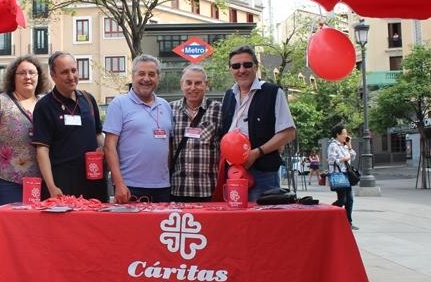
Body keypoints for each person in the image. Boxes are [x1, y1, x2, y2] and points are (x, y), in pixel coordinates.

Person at [219, 45, 296, 201]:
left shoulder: (272, 92)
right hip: (233, 172)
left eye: (247, 65)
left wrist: (256, 153)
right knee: (237, 221)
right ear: (230, 69)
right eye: (236, 66)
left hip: (263, 173)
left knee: (263, 222)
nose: (241, 70)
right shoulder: (229, 95)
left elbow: (288, 132)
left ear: (256, 66)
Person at [31, 51, 107, 201]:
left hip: (94, 182)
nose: (71, 76)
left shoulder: (88, 99)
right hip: (63, 183)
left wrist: (104, 150)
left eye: (74, 70)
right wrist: (51, 186)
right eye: (65, 72)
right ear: (53, 76)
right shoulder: (44, 106)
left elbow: (98, 134)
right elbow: (42, 149)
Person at [0, 55, 49, 206]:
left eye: (32, 72)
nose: (27, 77)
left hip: (44, 182)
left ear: (39, 77)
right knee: (13, 226)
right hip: (8, 182)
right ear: (12, 77)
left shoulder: (46, 102)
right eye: (22, 73)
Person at [104, 54, 173, 203]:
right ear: (133, 75)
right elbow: (109, 147)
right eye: (141, 73)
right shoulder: (119, 104)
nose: (146, 79)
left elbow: (168, 147)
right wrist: (119, 183)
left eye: (151, 74)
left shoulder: (166, 106)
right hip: (130, 187)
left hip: (163, 187)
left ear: (158, 77)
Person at [168, 64, 222, 202]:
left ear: (206, 85)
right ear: (182, 85)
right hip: (177, 188)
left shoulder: (218, 110)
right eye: (188, 83)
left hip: (208, 189)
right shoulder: (169, 109)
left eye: (198, 83)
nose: (193, 88)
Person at [327, 124, 357, 229]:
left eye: (346, 133)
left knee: (350, 200)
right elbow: (331, 161)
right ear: (337, 134)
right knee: (342, 200)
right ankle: (328, 212)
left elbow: (353, 156)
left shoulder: (344, 145)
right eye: (344, 133)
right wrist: (343, 159)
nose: (346, 135)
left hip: (346, 174)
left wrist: (349, 146)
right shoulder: (333, 145)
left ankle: (348, 222)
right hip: (338, 174)